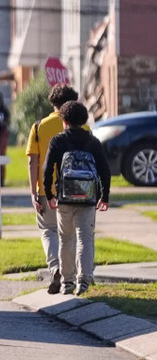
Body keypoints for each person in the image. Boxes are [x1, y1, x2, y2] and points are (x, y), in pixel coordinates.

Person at [43, 101, 110, 296]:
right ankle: (84, 280)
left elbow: (48, 170)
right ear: (84, 120)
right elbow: (104, 171)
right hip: (87, 199)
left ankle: (67, 282)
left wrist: (49, 194)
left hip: (64, 198)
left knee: (65, 239)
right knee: (85, 238)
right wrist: (104, 196)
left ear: (64, 121)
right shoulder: (92, 142)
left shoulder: (58, 141)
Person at [26, 84, 87, 294]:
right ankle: (75, 275)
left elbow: (32, 161)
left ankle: (56, 268)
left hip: (47, 190)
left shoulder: (38, 127)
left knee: (49, 230)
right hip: (77, 189)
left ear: (52, 103)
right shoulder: (83, 127)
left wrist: (33, 192)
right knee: (73, 234)